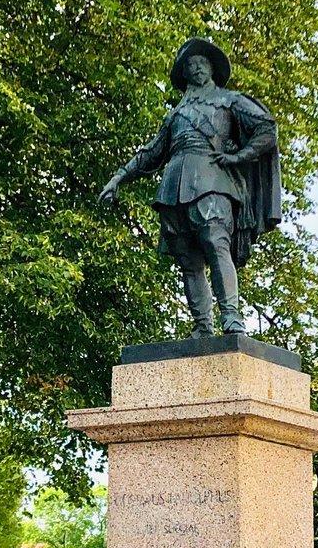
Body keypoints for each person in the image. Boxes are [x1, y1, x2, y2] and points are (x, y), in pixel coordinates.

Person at [99, 38, 281, 336]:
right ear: (184, 74)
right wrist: (118, 177)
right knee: (187, 258)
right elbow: (151, 153)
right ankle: (202, 325)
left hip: (213, 181)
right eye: (190, 65)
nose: (196, 68)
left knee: (215, 242)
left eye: (201, 63)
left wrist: (239, 156)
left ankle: (231, 317)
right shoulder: (175, 114)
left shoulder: (229, 100)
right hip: (174, 185)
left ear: (212, 68)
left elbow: (267, 128)